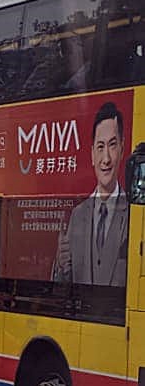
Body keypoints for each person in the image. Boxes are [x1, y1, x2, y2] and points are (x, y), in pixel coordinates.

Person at [53, 102, 128, 287]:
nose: (106, 159)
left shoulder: (134, 213)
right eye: (100, 147)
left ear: (122, 148)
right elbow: (62, 290)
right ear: (92, 154)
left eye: (112, 145)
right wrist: (62, 266)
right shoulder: (78, 215)